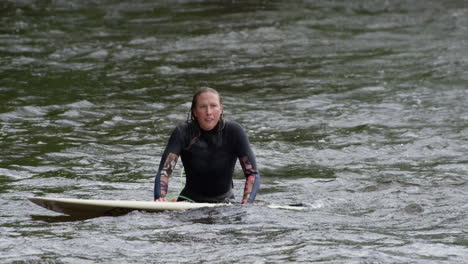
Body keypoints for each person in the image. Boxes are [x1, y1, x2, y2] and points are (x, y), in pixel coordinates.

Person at [154, 88, 260, 204]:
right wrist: (160, 197)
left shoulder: (234, 132)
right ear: (194, 111)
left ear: (221, 109)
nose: (209, 112)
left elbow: (252, 174)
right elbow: (164, 171)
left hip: (225, 202)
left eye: (213, 106)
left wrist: (247, 201)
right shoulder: (182, 132)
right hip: (189, 201)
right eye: (203, 107)